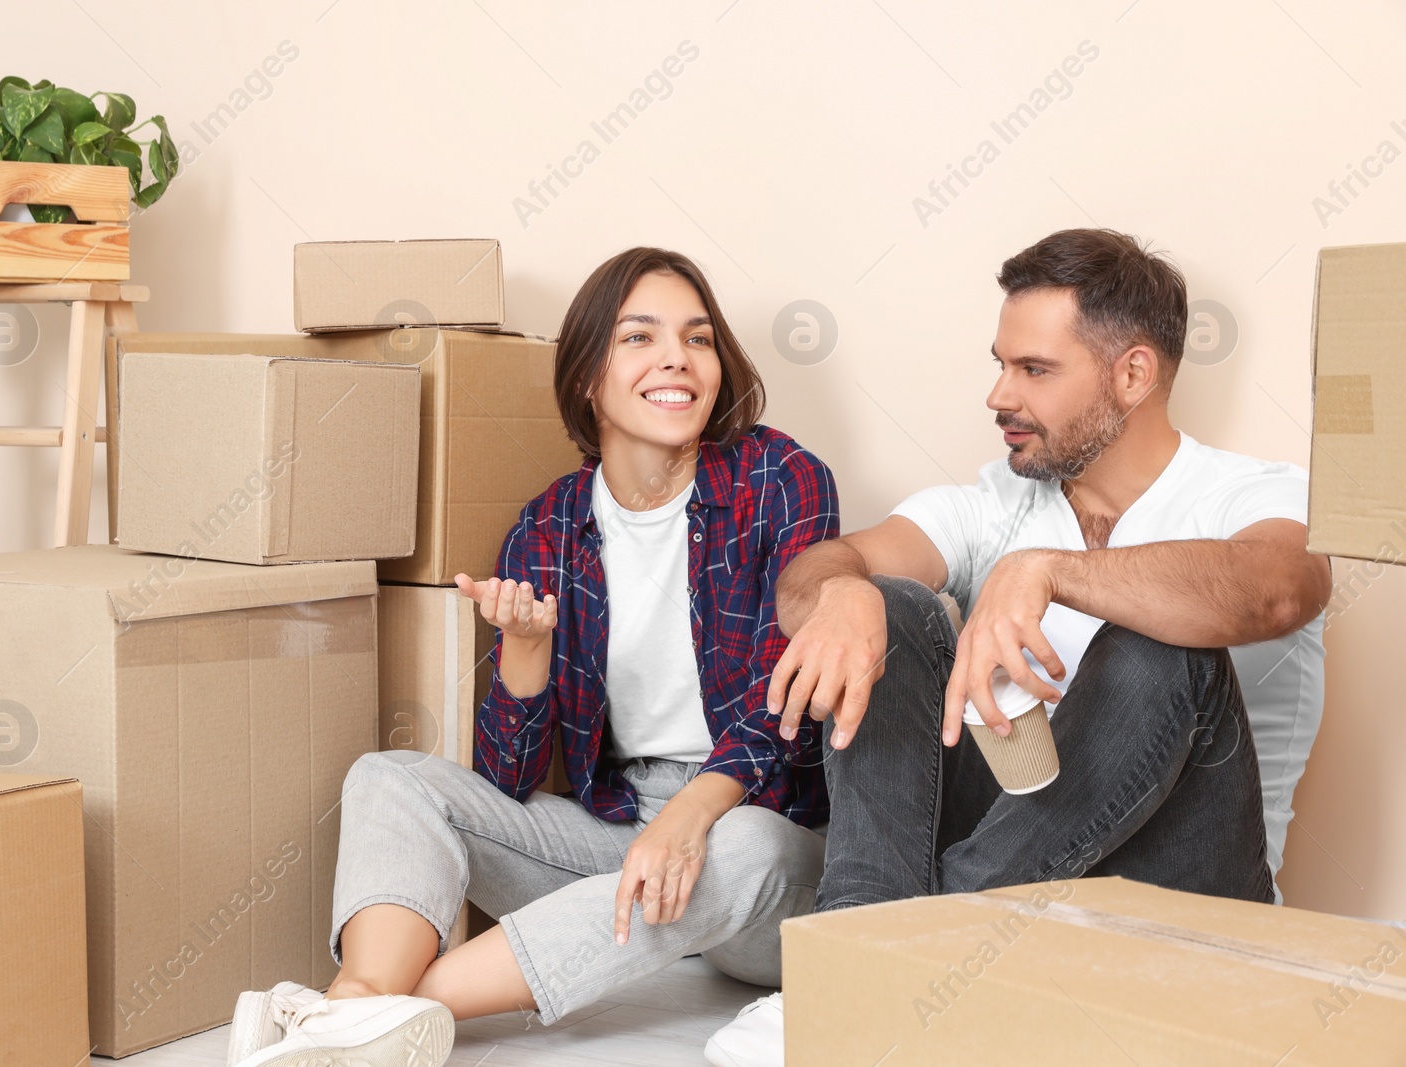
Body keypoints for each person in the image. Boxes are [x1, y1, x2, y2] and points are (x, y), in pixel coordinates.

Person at [703, 228, 1331, 1067]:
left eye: (1034, 370)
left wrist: (1053, 574)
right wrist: (845, 591)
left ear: (1133, 374)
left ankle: (881, 968)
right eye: (1000, 364)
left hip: (1186, 905)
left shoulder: (1256, 491)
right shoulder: (997, 499)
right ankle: (855, 951)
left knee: (1164, 650)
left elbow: (1277, 587)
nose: (1000, 394)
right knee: (886, 603)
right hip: (1016, 898)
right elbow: (815, 575)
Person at [225, 247, 838, 1067]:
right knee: (391, 777)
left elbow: (786, 712)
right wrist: (525, 650)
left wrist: (692, 819)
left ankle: (398, 1012)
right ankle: (359, 1004)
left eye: (698, 339)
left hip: (761, 850)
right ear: (588, 376)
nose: (676, 360)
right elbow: (506, 780)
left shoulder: (780, 478)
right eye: (639, 338)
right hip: (622, 828)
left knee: (749, 843)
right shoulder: (547, 529)